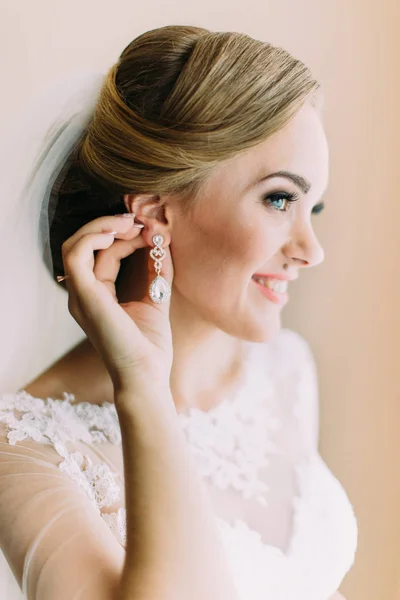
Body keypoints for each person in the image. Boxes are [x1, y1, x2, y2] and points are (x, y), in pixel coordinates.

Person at [0, 24, 358, 600]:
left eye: (311, 206)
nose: (311, 250)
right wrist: (143, 386)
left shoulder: (284, 370)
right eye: (279, 199)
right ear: (156, 214)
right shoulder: (25, 451)